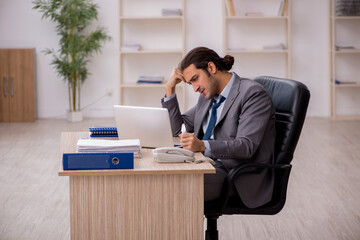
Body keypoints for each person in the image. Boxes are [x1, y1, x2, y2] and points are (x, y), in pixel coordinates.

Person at [161, 47, 275, 208]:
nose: (194, 88)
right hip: (204, 163)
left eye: (195, 79)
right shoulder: (208, 96)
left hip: (233, 173)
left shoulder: (252, 94)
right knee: (159, 177)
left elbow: (246, 146)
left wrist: (202, 145)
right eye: (190, 83)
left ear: (211, 68)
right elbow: (176, 130)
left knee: (172, 188)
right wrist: (170, 89)